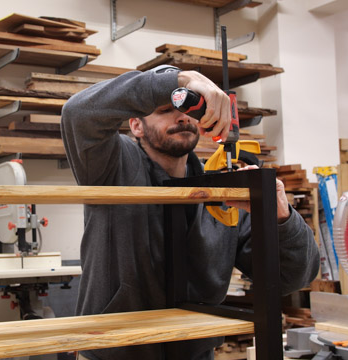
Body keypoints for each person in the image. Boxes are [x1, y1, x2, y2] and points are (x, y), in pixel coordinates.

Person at [60, 65, 320, 360]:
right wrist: (179, 80)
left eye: (187, 108)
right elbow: (77, 113)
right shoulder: (112, 166)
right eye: (165, 109)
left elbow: (291, 277)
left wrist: (281, 220)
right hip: (113, 351)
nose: (182, 116)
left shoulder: (221, 192)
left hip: (194, 351)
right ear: (136, 125)